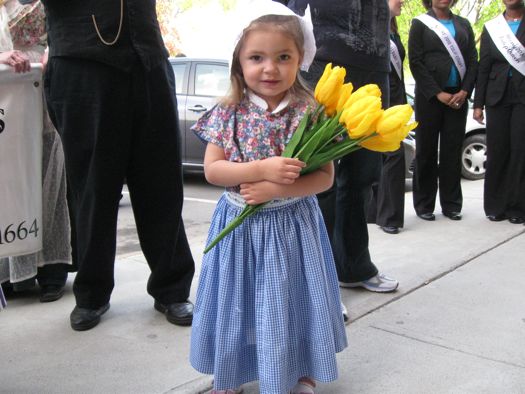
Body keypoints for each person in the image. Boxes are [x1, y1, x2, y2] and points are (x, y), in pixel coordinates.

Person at [189, 2, 347, 393]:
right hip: (238, 228)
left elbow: (324, 178)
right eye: (256, 57)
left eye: (283, 57)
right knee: (236, 301)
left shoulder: (309, 112)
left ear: (300, 60)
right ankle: (231, 372)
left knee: (294, 300)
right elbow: (214, 170)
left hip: (292, 225)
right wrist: (260, 170)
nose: (270, 68)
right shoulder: (229, 111)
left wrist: (279, 188)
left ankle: (300, 370)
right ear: (238, 63)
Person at [40, 0, 195, 331]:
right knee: (93, 187)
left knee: (162, 184)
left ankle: (172, 288)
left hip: (149, 60)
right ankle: (92, 293)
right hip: (81, 65)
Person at [286, 0, 399, 296]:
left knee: (363, 176)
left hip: (376, 65)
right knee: (318, 178)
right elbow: (284, 12)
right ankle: (316, 283)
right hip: (324, 63)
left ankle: (354, 266)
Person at [0, 0, 71, 303]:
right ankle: (10, 271)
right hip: (8, 100)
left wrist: (53, 50)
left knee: (50, 179)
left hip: (45, 93)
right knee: (10, 185)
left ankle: (51, 270)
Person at [408, 0, 478, 222]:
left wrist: (465, 91)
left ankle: (452, 205)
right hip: (430, 98)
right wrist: (437, 93)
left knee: (451, 151)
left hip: (458, 98)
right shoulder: (420, 24)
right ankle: (424, 205)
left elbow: (472, 61)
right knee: (426, 152)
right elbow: (415, 62)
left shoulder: (464, 24)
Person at [473, 0, 525, 224]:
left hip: (522, 97)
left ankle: (517, 207)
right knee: (497, 151)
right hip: (497, 96)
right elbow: (483, 66)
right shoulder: (492, 27)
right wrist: (478, 103)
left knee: (519, 151)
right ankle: (495, 206)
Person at [374, 0, 408, 235]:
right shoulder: (372, 29)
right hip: (379, 103)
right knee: (393, 156)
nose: (402, 1)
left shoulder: (393, 30)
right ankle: (389, 216)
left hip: (396, 99)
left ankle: (381, 212)